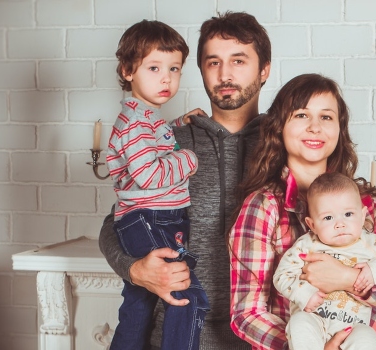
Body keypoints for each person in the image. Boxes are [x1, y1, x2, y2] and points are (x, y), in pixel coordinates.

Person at [100, 12, 272, 349]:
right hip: (176, 337)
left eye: (238, 60)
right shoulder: (169, 139)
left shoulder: (286, 143)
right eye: (213, 62)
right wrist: (135, 270)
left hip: (263, 339)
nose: (225, 74)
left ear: (263, 69)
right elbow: (114, 224)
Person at [229, 73, 376, 350]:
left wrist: (348, 278)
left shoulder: (368, 203)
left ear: (339, 129)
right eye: (301, 115)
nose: (314, 127)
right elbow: (247, 313)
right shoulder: (263, 206)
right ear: (279, 128)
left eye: (326, 117)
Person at [105, 20, 207, 350]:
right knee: (187, 296)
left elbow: (156, 143)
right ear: (128, 70)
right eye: (154, 67)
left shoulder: (146, 118)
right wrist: (189, 158)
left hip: (149, 216)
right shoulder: (136, 123)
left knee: (138, 305)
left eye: (174, 68)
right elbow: (148, 175)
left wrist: (179, 124)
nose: (166, 78)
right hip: (150, 216)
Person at [273, 172, 376, 349]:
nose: (340, 224)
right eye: (328, 218)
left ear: (362, 216)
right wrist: (304, 294)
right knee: (299, 323)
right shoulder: (306, 245)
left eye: (348, 214)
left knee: (368, 337)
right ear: (312, 224)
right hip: (314, 318)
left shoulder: (371, 242)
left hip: (353, 326)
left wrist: (373, 270)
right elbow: (281, 275)